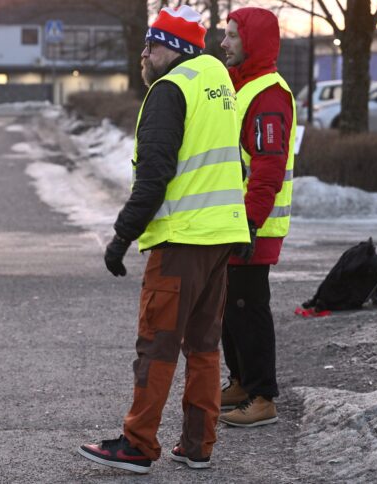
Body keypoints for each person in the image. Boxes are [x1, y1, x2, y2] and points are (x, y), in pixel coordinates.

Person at [78, 6, 249, 474]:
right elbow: (236, 163)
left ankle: (137, 444)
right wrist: (243, 226)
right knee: (204, 346)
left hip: (181, 240)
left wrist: (120, 237)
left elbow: (154, 176)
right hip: (221, 237)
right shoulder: (219, 85)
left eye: (150, 45)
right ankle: (198, 445)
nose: (144, 54)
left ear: (171, 48)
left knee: (157, 344)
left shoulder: (170, 89)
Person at [217, 8, 296, 428]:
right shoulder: (242, 86)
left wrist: (249, 222)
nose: (224, 43)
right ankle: (242, 381)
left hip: (255, 225)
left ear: (254, 42)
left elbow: (267, 167)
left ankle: (264, 396)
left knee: (249, 308)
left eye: (232, 36)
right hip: (238, 220)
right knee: (231, 307)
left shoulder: (267, 94)